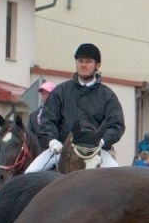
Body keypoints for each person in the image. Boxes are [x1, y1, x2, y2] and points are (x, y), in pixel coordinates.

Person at [27, 43, 126, 171]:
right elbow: (48, 119)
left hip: (97, 151)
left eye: (88, 61)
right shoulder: (61, 91)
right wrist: (52, 141)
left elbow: (116, 125)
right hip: (62, 149)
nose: (83, 65)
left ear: (97, 65)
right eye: (80, 61)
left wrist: (102, 140)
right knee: (29, 173)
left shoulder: (107, 95)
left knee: (117, 177)